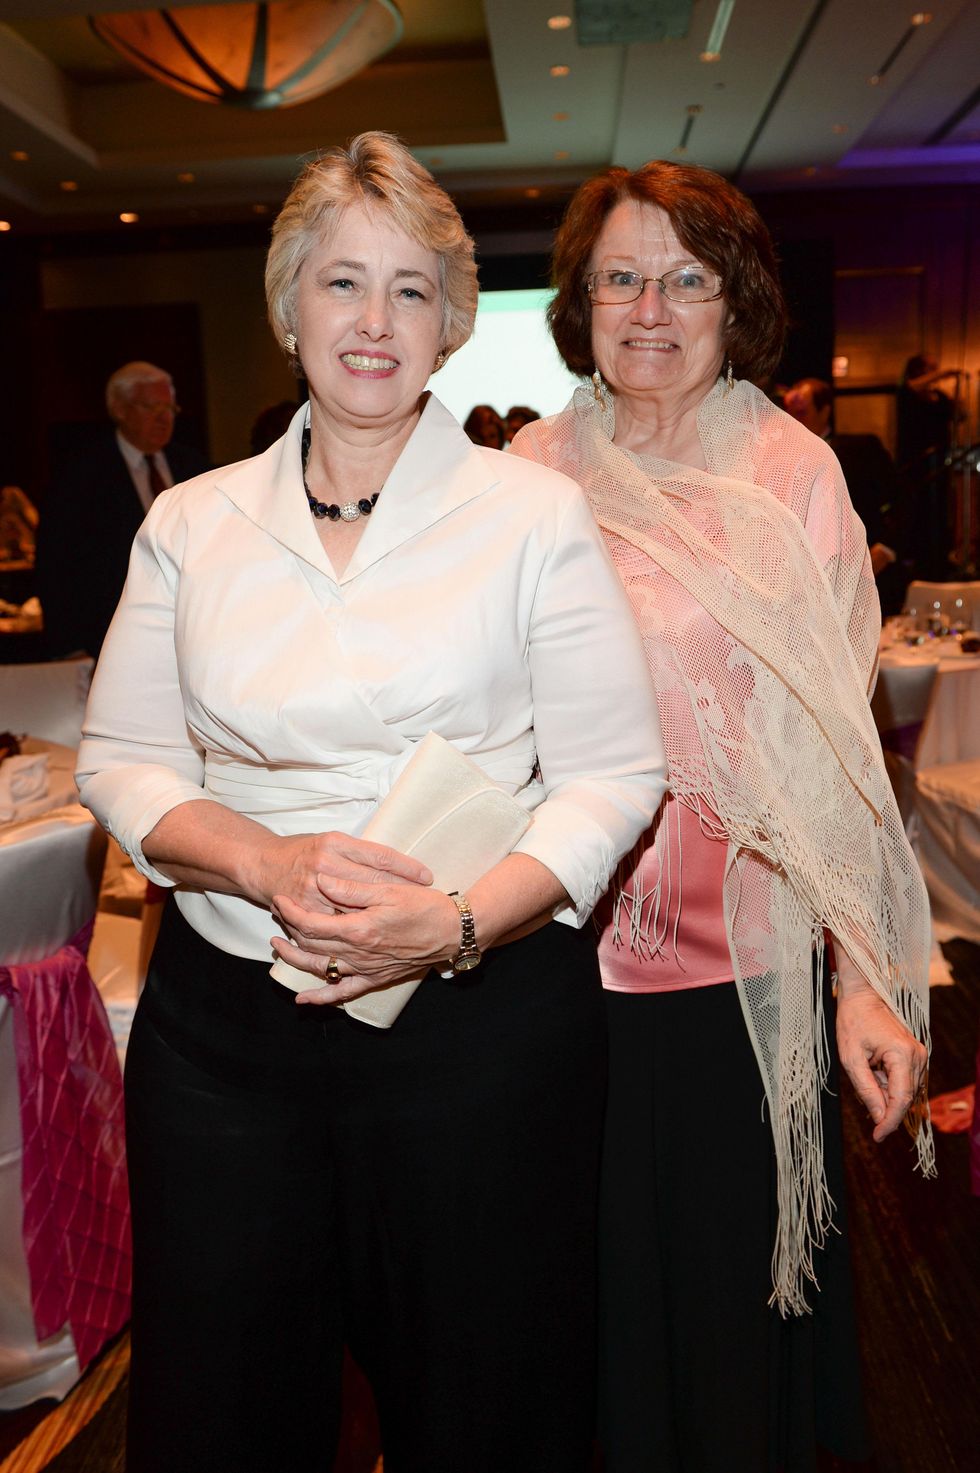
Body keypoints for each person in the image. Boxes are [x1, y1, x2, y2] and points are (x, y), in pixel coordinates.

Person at [75, 133, 668, 1473]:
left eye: (412, 290)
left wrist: (455, 923)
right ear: (288, 304)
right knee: (226, 1406)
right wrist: (267, 861)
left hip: (483, 1025)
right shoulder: (193, 523)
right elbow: (123, 756)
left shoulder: (533, 516)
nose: (375, 322)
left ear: (454, 324)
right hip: (227, 1031)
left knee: (489, 1398)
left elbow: (613, 774)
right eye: (344, 283)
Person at [511, 160, 933, 1473]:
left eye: (687, 278)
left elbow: (839, 757)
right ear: (581, 302)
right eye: (621, 277)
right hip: (555, 960)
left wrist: (865, 983)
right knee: (577, 1298)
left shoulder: (791, 472)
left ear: (735, 300)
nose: (651, 307)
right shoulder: (530, 472)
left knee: (724, 1307)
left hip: (735, 972)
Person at [35, 361, 209, 657]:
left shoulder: (192, 466)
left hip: (191, 633)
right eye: (150, 407)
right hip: (111, 636)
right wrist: (71, 646)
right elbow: (55, 566)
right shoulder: (81, 475)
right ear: (119, 410)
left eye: (169, 409)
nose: (163, 418)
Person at [784, 376, 906, 614]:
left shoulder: (862, 450)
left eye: (802, 413)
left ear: (825, 411)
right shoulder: (779, 457)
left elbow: (904, 498)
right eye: (790, 413)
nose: (793, 421)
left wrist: (886, 548)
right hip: (805, 589)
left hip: (862, 576)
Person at [895, 353, 960, 580]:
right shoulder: (907, 393)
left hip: (939, 466)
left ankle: (939, 559)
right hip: (916, 468)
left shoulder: (938, 396)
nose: (933, 374)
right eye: (929, 369)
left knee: (939, 511)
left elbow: (957, 415)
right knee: (916, 512)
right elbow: (910, 388)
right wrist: (942, 374)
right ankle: (915, 561)